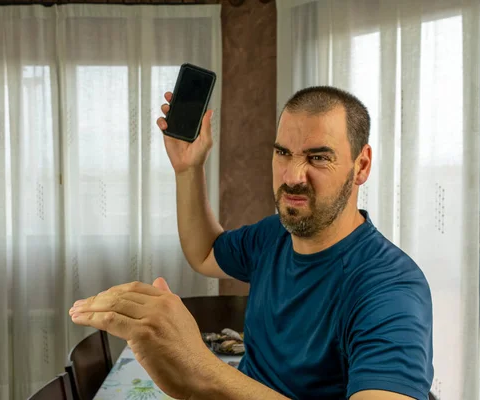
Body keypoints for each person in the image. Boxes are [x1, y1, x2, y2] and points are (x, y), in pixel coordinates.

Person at [69, 86, 434, 400]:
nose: (292, 177)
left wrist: (201, 371)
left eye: (318, 157)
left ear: (362, 165)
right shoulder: (274, 235)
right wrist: (188, 169)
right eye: (283, 153)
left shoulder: (391, 290)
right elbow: (206, 252)